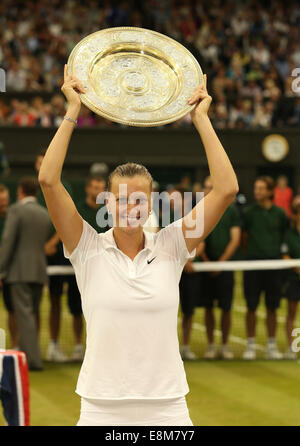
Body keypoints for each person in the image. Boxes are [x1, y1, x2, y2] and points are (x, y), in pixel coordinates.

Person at [38, 65, 238, 426]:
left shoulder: (173, 243)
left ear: (150, 204)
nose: (130, 208)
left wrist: (201, 119)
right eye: (122, 200)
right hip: (100, 406)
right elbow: (48, 180)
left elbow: (225, 190)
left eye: (139, 201)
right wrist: (73, 110)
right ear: (108, 203)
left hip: (168, 407)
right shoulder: (85, 246)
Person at [35, 151, 83, 362]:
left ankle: (78, 346)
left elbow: (66, 218)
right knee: (50, 300)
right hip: (41, 254)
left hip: (61, 254)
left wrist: (52, 243)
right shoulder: (34, 191)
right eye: (40, 162)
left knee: (77, 302)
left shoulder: (64, 187)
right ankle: (50, 345)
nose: (43, 165)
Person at [0, 177, 51, 370]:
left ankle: (33, 361)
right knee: (32, 317)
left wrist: (1, 269)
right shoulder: (44, 214)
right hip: (39, 272)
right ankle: (29, 357)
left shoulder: (16, 211)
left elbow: (8, 242)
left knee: (26, 319)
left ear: (20, 191)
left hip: (19, 273)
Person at [242, 176, 288, 360]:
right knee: (251, 306)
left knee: (272, 307)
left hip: (274, 265)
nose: (257, 191)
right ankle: (251, 345)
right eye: (256, 188)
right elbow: (244, 238)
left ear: (270, 191)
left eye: (261, 188)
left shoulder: (280, 214)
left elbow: (283, 236)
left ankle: (271, 345)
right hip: (253, 264)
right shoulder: (249, 212)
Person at [200, 176, 241, 360]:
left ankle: (224, 345)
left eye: (212, 187)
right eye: (206, 187)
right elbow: (195, 237)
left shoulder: (231, 211)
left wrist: (221, 263)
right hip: (205, 265)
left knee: (226, 307)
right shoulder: (199, 210)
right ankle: (210, 345)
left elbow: (235, 238)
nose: (209, 190)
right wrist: (206, 261)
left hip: (225, 265)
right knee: (208, 307)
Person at [281, 200, 300, 359]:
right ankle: (291, 348)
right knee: (291, 313)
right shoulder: (289, 234)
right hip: (294, 279)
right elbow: (285, 255)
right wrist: (297, 268)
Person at [0, 184, 18, 349]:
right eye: (1, 201)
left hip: (10, 272)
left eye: (5, 200)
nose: (4, 203)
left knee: (12, 310)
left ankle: (14, 345)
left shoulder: (14, 215)